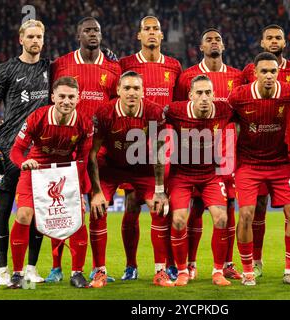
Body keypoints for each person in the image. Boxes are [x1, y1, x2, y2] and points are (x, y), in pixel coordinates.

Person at [48, 17, 121, 284]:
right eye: (88, 30)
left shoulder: (114, 68)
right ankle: (57, 267)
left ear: (102, 35)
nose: (93, 34)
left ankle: (98, 268)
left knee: (98, 209)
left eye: (97, 30)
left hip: (100, 153)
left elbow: (117, 109)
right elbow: (50, 102)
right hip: (66, 151)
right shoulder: (61, 64)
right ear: (78, 33)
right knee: (62, 211)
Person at [87, 71, 174, 287]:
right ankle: (100, 272)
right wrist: (97, 192)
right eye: (127, 88)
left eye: (136, 88)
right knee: (97, 210)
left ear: (143, 91)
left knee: (160, 208)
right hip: (111, 167)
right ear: (118, 91)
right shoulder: (105, 113)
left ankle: (160, 271)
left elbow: (159, 151)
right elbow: (92, 153)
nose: (132, 92)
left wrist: (160, 190)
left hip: (142, 167)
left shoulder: (154, 111)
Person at [8, 76, 93, 289]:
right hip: (36, 170)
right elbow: (16, 150)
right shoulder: (37, 117)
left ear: (78, 98)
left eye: (71, 97)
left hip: (66, 173)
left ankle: (77, 273)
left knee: (77, 218)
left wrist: (79, 184)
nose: (66, 101)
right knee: (24, 215)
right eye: (62, 96)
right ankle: (17, 275)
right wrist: (24, 162)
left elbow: (83, 158)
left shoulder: (84, 123)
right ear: (53, 96)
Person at [0, 19, 49, 286]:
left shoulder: (49, 68)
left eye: (39, 37)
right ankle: (3, 271)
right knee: (4, 208)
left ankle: (31, 268)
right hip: (9, 150)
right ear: (21, 39)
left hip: (40, 152)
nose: (35, 41)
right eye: (31, 36)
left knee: (37, 211)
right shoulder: (5, 70)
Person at [229, 52, 290, 286]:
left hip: (280, 164)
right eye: (264, 71)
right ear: (255, 74)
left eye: (273, 71)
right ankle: (249, 270)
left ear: (278, 73)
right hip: (249, 164)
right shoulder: (239, 96)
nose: (269, 76)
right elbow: (223, 120)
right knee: (247, 214)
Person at [174, 28, 243, 280]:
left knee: (227, 211)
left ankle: (225, 265)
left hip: (222, 164)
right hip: (188, 164)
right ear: (200, 47)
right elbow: (177, 115)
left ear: (224, 46)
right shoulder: (186, 77)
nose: (214, 43)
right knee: (190, 214)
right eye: (208, 40)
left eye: (218, 39)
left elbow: (241, 117)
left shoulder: (237, 76)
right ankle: (187, 265)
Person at [118, 15, 182, 281]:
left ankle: (167, 264)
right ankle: (131, 265)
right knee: (132, 204)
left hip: (164, 142)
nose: (152, 33)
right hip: (134, 140)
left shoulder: (174, 66)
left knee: (163, 204)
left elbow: (178, 106)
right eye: (147, 29)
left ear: (162, 35)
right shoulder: (126, 65)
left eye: (156, 28)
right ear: (139, 35)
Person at [156, 74, 234, 286]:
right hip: (182, 175)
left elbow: (245, 116)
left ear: (214, 95)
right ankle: (182, 271)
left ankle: (217, 271)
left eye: (208, 93)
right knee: (179, 219)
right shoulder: (176, 110)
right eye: (199, 93)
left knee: (222, 218)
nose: (204, 97)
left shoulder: (225, 110)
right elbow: (154, 118)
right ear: (190, 96)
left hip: (211, 174)